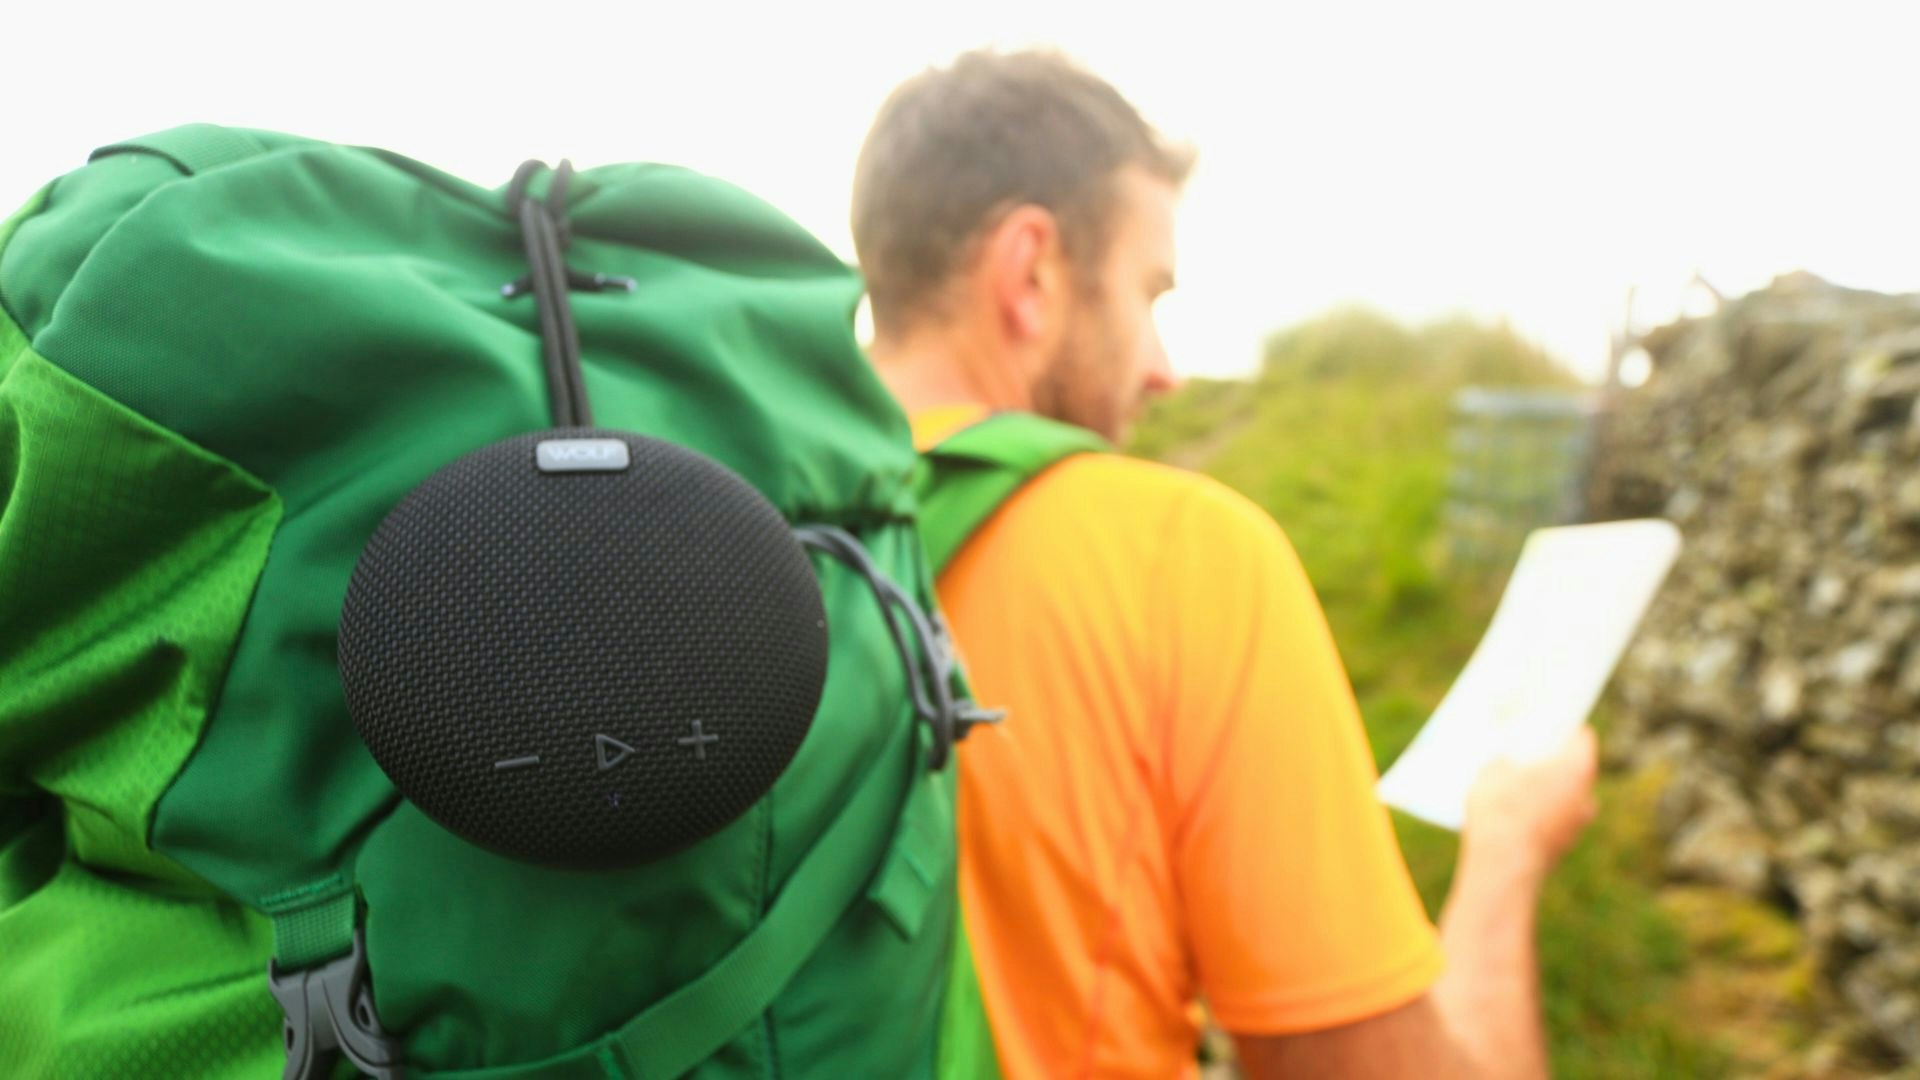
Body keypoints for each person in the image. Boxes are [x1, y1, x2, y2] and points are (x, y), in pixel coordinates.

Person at [852, 49, 1599, 1080]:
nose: (1164, 366)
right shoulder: (1181, 556)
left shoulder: (701, 542)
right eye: (1150, 292)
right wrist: (1508, 850)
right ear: (1031, 271)